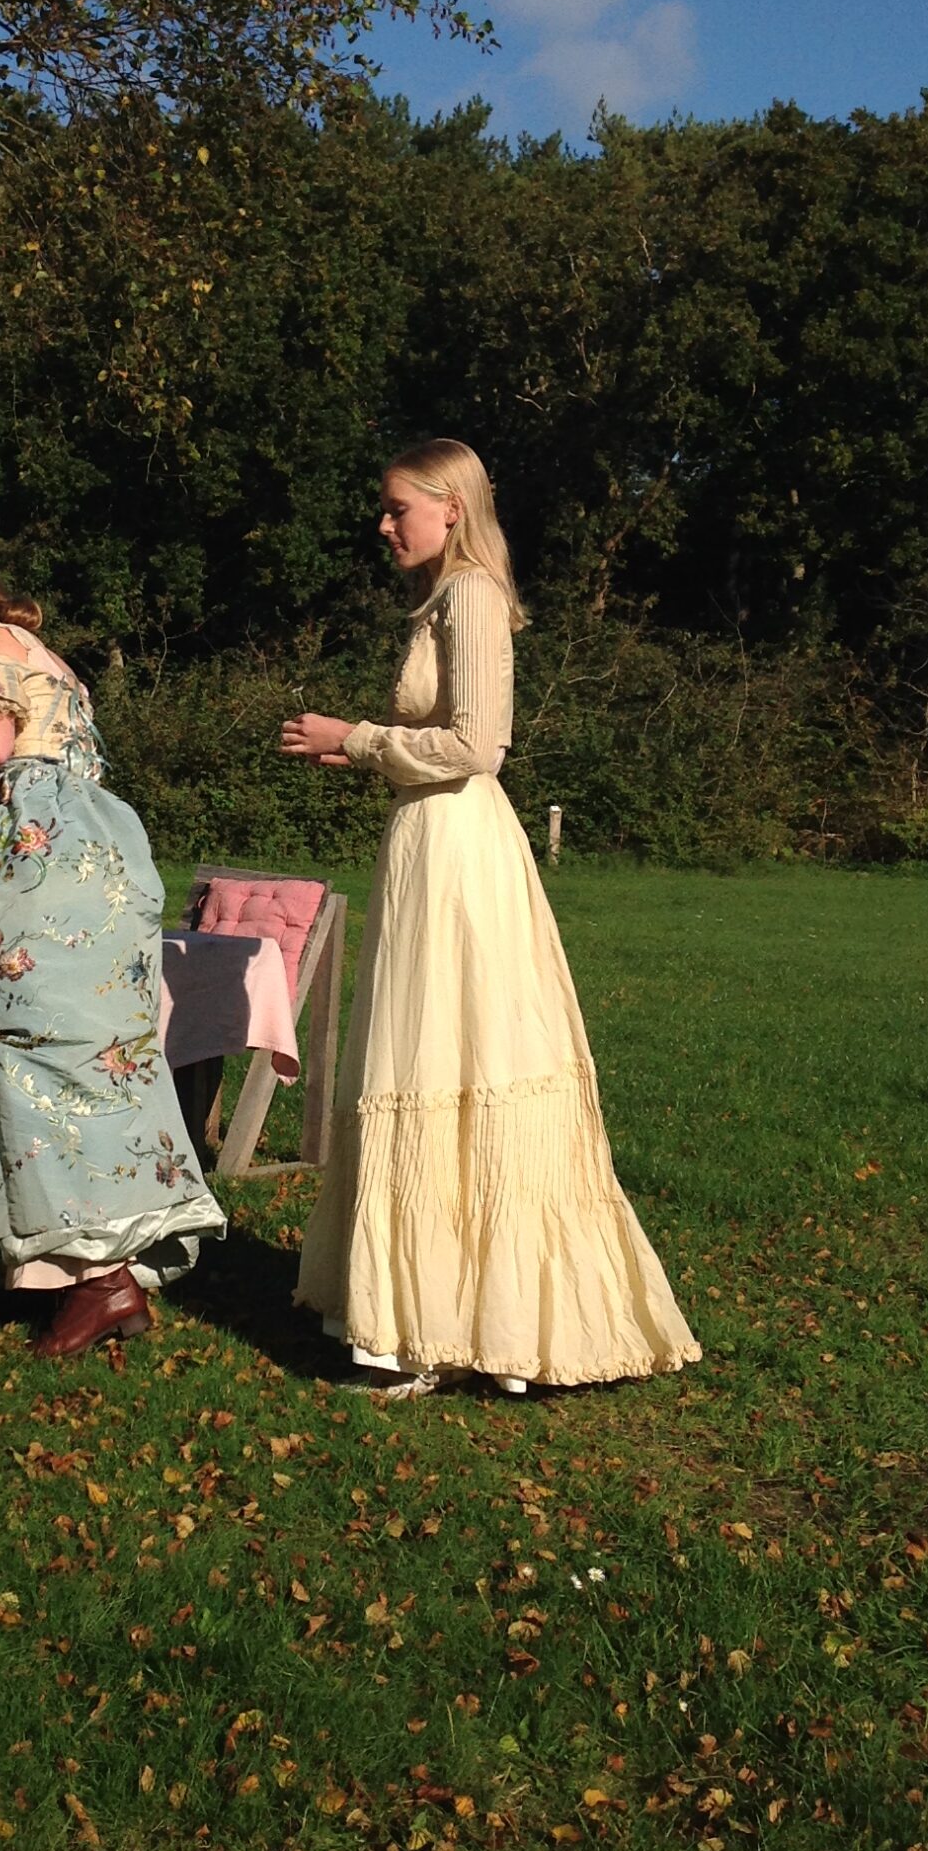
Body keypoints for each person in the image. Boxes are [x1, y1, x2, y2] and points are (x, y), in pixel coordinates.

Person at [280, 440, 700, 1399]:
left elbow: (479, 747)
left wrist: (360, 735)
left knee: (447, 1051)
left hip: (460, 852)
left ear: (452, 508)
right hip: (429, 840)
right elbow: (442, 740)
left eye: (398, 509)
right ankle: (426, 1316)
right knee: (432, 1050)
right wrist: (370, 754)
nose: (384, 525)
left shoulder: (468, 594)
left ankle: (460, 1323)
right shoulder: (442, 599)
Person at [0, 558, 223, 1358]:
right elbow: (50, 782)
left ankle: (97, 1280)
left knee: (26, 1055)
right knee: (84, 1052)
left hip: (48, 865)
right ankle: (95, 1271)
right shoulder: (56, 665)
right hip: (100, 854)